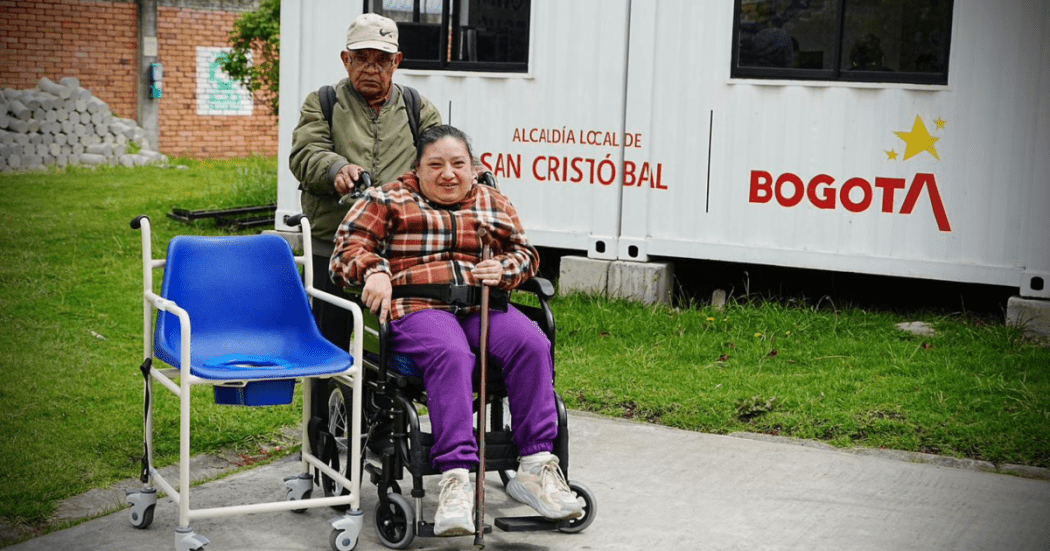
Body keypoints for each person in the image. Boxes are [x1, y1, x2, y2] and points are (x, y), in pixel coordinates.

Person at [330, 125, 584, 536]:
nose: (448, 174)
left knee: (532, 343)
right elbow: (346, 252)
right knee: (451, 353)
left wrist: (504, 269)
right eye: (436, 164)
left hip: (481, 303)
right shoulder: (386, 198)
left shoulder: (492, 201)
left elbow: (526, 254)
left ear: (473, 166)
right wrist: (374, 270)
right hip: (418, 306)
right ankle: (455, 477)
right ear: (418, 168)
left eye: (458, 164)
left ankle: (536, 467)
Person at [289, 12, 442, 350]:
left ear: (397, 62)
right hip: (332, 249)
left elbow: (441, 158)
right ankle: (327, 403)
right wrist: (336, 169)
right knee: (328, 348)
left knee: (389, 351)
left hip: (398, 252)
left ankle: (375, 403)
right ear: (346, 60)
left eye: (382, 60)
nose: (372, 69)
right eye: (361, 59)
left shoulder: (418, 108)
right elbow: (305, 154)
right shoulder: (324, 102)